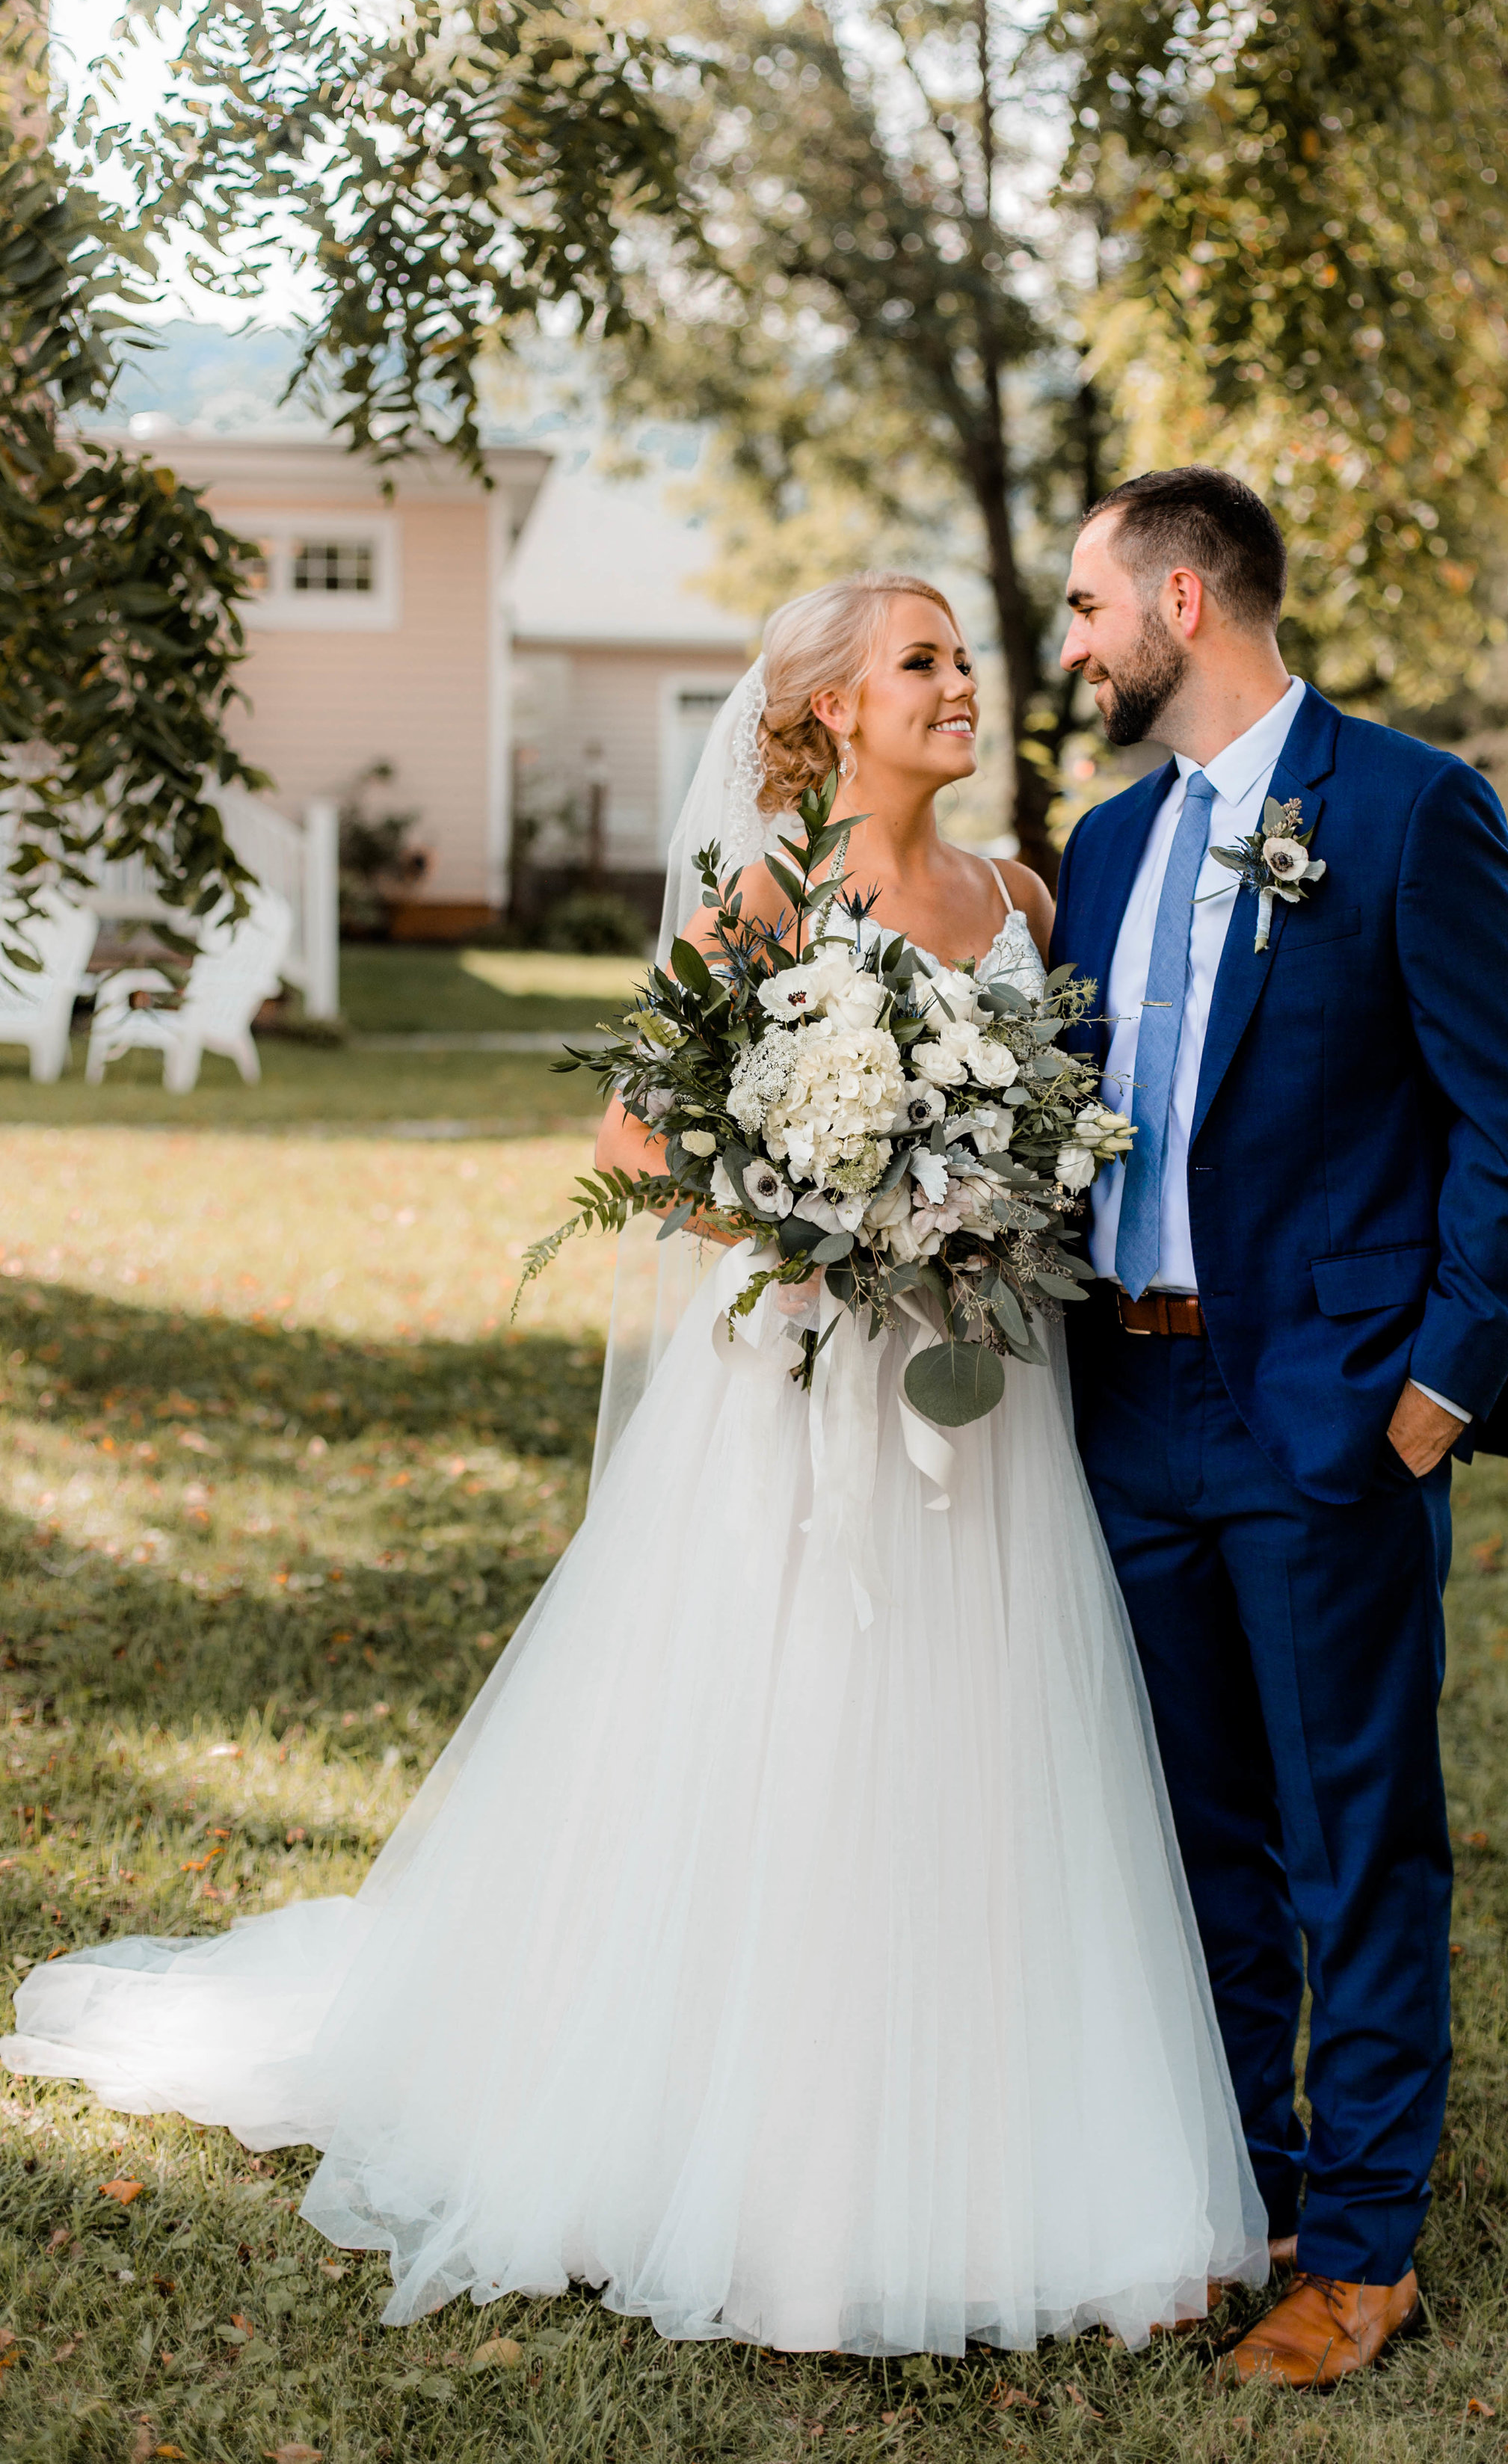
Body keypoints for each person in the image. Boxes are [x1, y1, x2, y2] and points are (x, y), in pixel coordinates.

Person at [4, 570, 1267, 2355]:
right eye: (923, 662)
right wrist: (834, 1200)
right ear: (832, 707)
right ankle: (752, 2153)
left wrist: (971, 1200)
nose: (962, 684)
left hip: (975, 1397)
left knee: (983, 1743)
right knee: (796, 1742)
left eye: (966, 658)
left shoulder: (1019, 900)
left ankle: (995, 2137)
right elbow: (636, 1144)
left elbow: (1063, 1139)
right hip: (803, 1399)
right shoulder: (761, 898)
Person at [1050, 469, 1508, 2388]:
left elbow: (1505, 1125)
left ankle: (1360, 2251)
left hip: (1329, 1417)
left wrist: (1431, 1395)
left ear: (1185, 601)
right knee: (1197, 1840)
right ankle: (1247, 2200)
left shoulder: (1411, 810)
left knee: (1357, 1843)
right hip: (1128, 1406)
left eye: (1091, 607)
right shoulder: (1098, 850)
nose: (1075, 645)